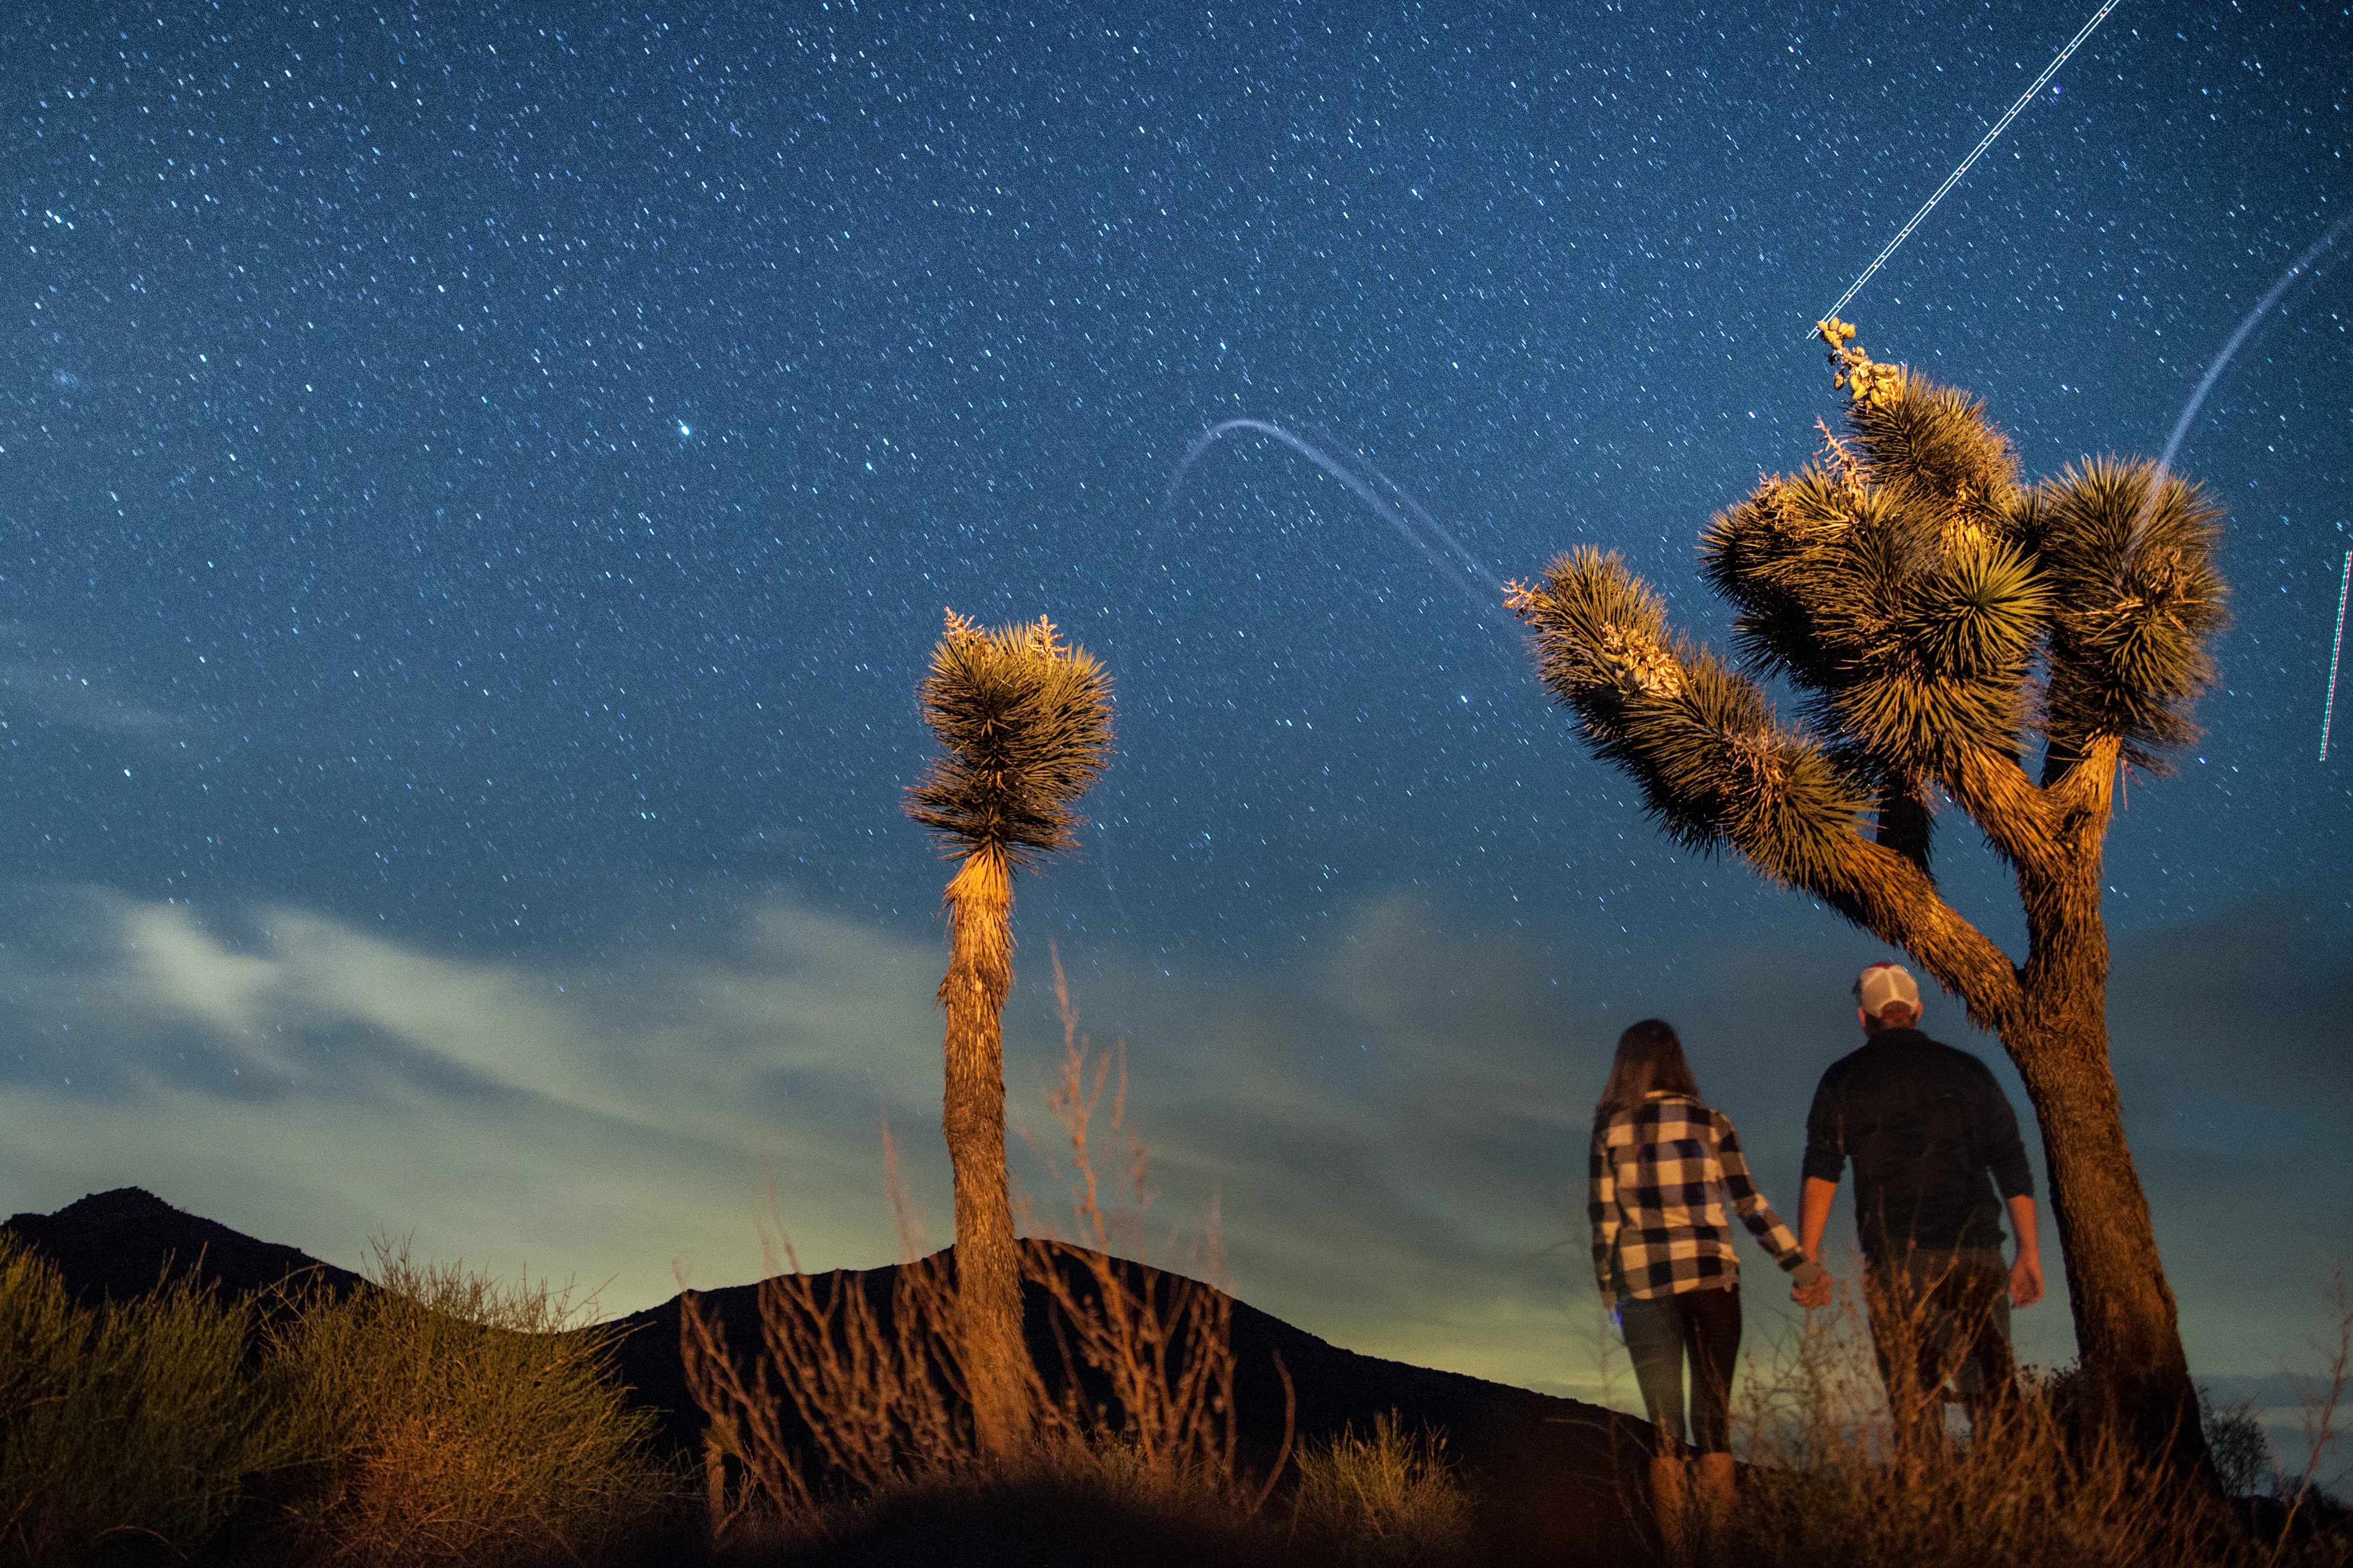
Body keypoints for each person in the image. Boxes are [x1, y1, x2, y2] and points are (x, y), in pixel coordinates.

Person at [1590, 1018, 1824, 1550]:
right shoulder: (1711, 1122)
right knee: (1714, 1425)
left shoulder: (1612, 1127)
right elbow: (1750, 1204)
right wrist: (1800, 1265)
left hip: (1645, 1288)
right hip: (1711, 1282)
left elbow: (1604, 1220)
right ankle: (1718, 1553)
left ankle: (1677, 1556)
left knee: (1666, 1436)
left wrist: (1610, 1293)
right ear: (1678, 1061)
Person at [1796, 961, 2044, 1460]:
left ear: (1865, 1019)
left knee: (1914, 1405)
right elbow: (2010, 1161)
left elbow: (1823, 1168)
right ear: (1917, 1010)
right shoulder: (1969, 1071)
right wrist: (2029, 1251)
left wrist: (1807, 1258)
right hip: (1975, 1251)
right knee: (1994, 1397)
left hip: (1897, 1260)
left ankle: (1928, 1518)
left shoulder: (1843, 1079)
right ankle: (2009, 1515)